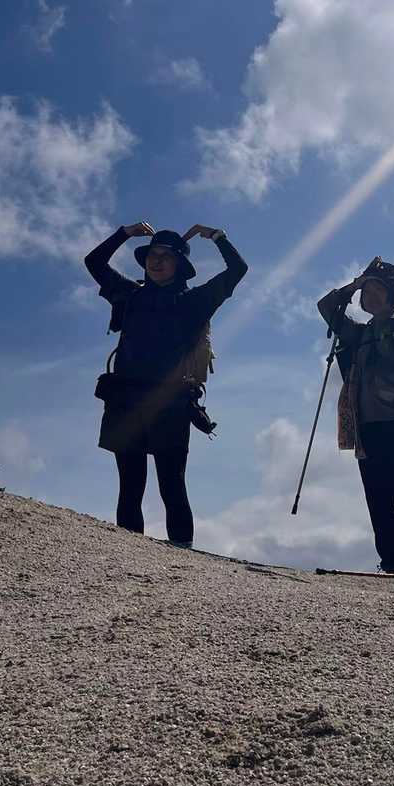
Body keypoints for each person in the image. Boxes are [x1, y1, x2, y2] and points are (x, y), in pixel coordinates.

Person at [84, 221, 247, 546]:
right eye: (152, 255)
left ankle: (183, 560)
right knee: (130, 486)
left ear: (180, 265)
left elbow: (237, 270)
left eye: (166, 256)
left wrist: (217, 237)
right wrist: (124, 233)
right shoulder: (129, 294)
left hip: (169, 404)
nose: (156, 261)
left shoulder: (194, 301)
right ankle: (129, 554)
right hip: (125, 400)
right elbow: (94, 263)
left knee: (172, 485)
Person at [317, 257, 394, 576]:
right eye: (366, 293)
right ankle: (392, 563)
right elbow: (325, 306)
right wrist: (354, 284)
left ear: (393, 295)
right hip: (369, 426)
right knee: (380, 500)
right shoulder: (356, 333)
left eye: (378, 290)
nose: (371, 296)